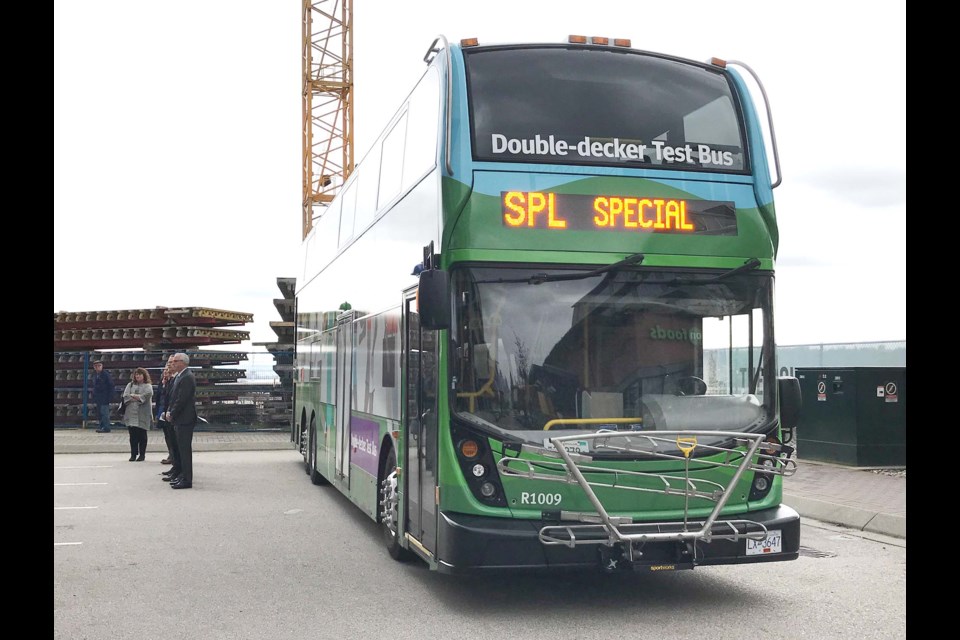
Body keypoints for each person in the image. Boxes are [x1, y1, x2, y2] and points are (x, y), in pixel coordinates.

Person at [164, 352, 197, 489]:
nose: (173, 363)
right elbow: (173, 397)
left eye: (176, 361)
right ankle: (181, 475)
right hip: (180, 419)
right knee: (179, 449)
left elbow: (181, 399)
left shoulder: (187, 377)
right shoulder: (180, 376)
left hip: (185, 419)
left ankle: (186, 479)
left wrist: (172, 412)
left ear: (183, 362)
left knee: (184, 451)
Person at [121, 367, 154, 461]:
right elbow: (126, 396)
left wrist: (135, 397)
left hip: (143, 414)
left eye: (139, 374)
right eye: (136, 374)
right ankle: (133, 454)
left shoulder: (148, 386)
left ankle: (142, 454)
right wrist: (136, 397)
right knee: (132, 436)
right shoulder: (130, 385)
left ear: (144, 375)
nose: (137, 376)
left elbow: (147, 396)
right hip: (130, 413)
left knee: (142, 435)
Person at [154, 362, 178, 466]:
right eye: (164, 372)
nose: (166, 373)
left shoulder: (173, 382)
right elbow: (159, 396)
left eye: (167, 371)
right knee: (166, 434)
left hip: (168, 411)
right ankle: (171, 455)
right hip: (161, 409)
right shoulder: (164, 383)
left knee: (172, 436)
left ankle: (173, 457)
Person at [90, 359, 115, 433]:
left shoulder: (106, 375)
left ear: (102, 366)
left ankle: (106, 427)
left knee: (104, 413)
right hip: (98, 397)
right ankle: (102, 426)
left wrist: (110, 396)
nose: (97, 367)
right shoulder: (95, 375)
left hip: (105, 397)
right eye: (96, 366)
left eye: (99, 366)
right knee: (100, 413)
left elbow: (111, 385)